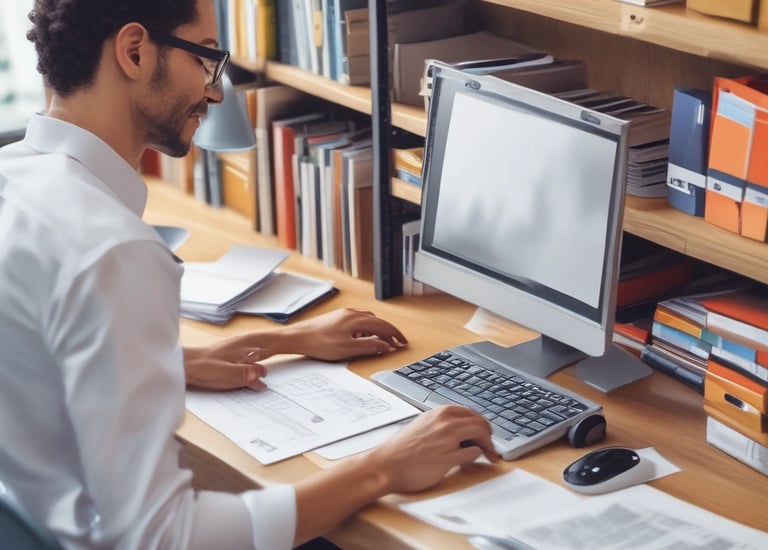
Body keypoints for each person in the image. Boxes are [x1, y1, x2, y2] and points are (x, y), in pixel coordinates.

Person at [0, 0, 498, 548]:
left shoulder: (15, 182)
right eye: (207, 60)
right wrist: (383, 467)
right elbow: (163, 537)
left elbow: (36, 358)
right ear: (134, 51)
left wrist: (272, 341)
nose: (215, 92)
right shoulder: (114, 251)